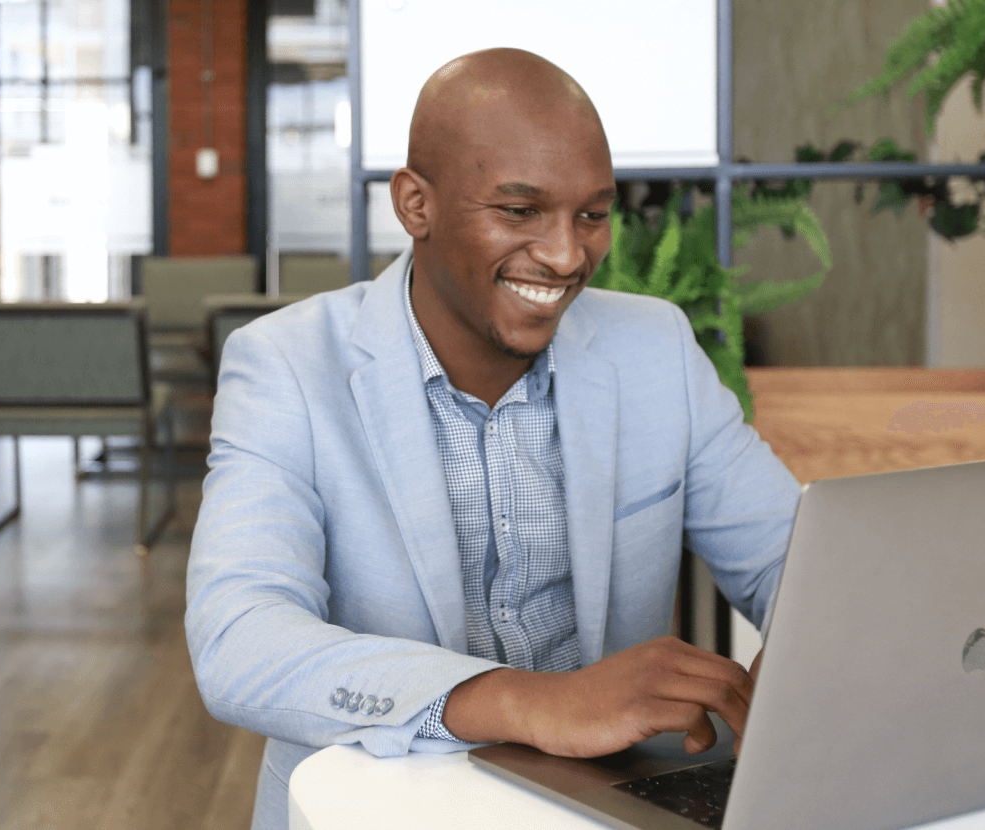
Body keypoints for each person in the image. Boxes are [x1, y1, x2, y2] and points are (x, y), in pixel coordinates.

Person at [185, 47, 803, 830]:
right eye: (519, 212)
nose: (565, 255)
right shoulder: (286, 365)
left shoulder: (655, 350)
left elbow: (796, 559)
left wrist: (810, 655)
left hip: (613, 808)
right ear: (416, 205)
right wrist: (525, 702)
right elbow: (241, 640)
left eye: (592, 213)